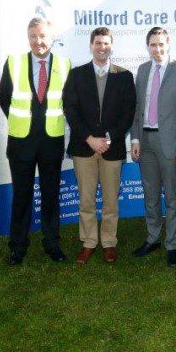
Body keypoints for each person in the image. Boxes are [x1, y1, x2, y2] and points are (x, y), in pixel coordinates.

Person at [0, 17, 70, 265]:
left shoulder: (65, 64)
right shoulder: (14, 62)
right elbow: (4, 99)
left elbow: (68, 102)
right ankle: (18, 247)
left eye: (42, 36)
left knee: (51, 195)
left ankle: (52, 244)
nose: (38, 41)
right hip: (21, 142)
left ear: (52, 38)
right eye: (33, 36)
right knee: (22, 196)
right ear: (27, 37)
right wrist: (25, 125)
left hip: (51, 142)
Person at [63, 27, 136, 264]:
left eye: (106, 43)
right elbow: (71, 110)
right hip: (84, 146)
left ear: (111, 46)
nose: (102, 47)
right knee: (86, 199)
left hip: (111, 148)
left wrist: (108, 138)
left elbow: (128, 113)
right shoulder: (77, 74)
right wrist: (89, 138)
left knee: (111, 199)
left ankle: (109, 242)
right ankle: (88, 242)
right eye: (97, 43)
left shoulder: (124, 76)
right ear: (91, 45)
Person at [130, 27, 176, 267]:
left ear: (169, 44)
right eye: (153, 45)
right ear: (147, 46)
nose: (157, 49)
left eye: (161, 44)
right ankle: (153, 238)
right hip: (145, 141)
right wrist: (135, 139)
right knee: (150, 194)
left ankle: (173, 245)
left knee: (172, 197)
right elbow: (137, 108)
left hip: (170, 144)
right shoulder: (143, 70)